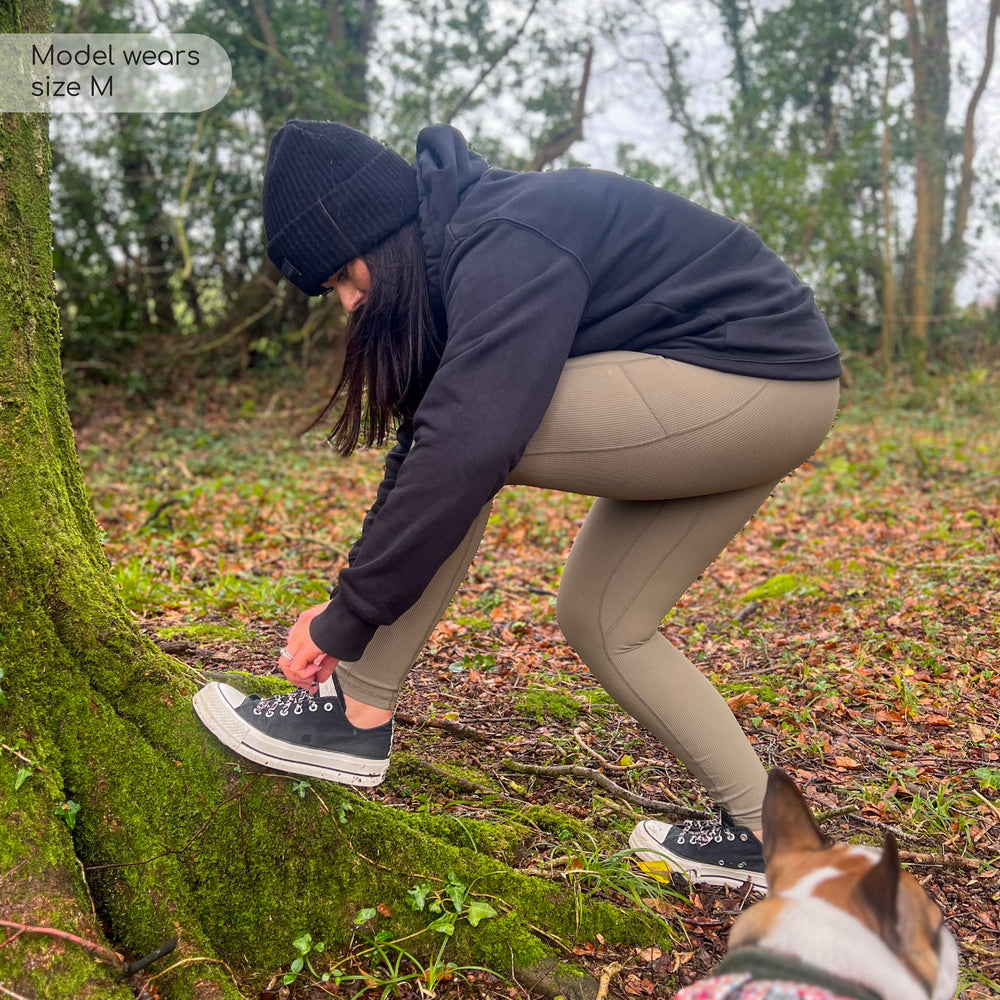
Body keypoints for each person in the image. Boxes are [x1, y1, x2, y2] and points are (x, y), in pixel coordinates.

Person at [193, 120, 841, 890]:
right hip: (768, 390)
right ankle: (773, 842)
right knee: (604, 617)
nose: (345, 303)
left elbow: (460, 445)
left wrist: (345, 624)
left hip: (753, 379)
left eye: (342, 277)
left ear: (377, 233)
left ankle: (355, 713)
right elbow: (427, 441)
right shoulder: (463, 252)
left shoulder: (504, 238)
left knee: (468, 445)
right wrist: (348, 604)